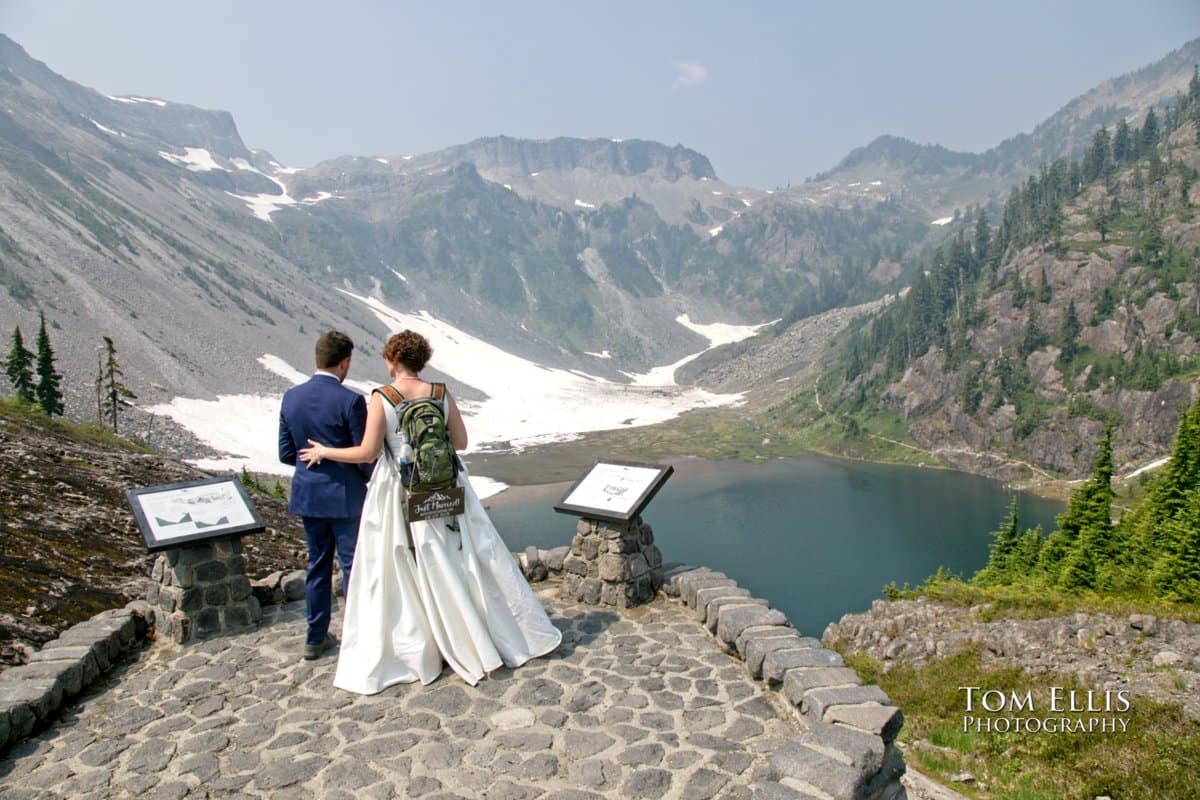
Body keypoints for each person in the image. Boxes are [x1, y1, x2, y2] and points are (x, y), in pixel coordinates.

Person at [298, 329, 562, 691]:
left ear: (392, 360)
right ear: (422, 361)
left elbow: (368, 452)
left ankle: (426, 643)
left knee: (405, 564)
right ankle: (479, 631)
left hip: (401, 490)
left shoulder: (383, 397)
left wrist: (325, 452)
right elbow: (463, 441)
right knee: (461, 556)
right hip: (447, 487)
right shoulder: (439, 393)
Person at [278, 330, 373, 660]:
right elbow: (364, 455)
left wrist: (313, 463)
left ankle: (315, 637)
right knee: (352, 567)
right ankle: (357, 637)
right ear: (344, 362)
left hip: (309, 496)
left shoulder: (291, 397)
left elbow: (285, 453)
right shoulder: (350, 401)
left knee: (317, 567)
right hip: (346, 497)